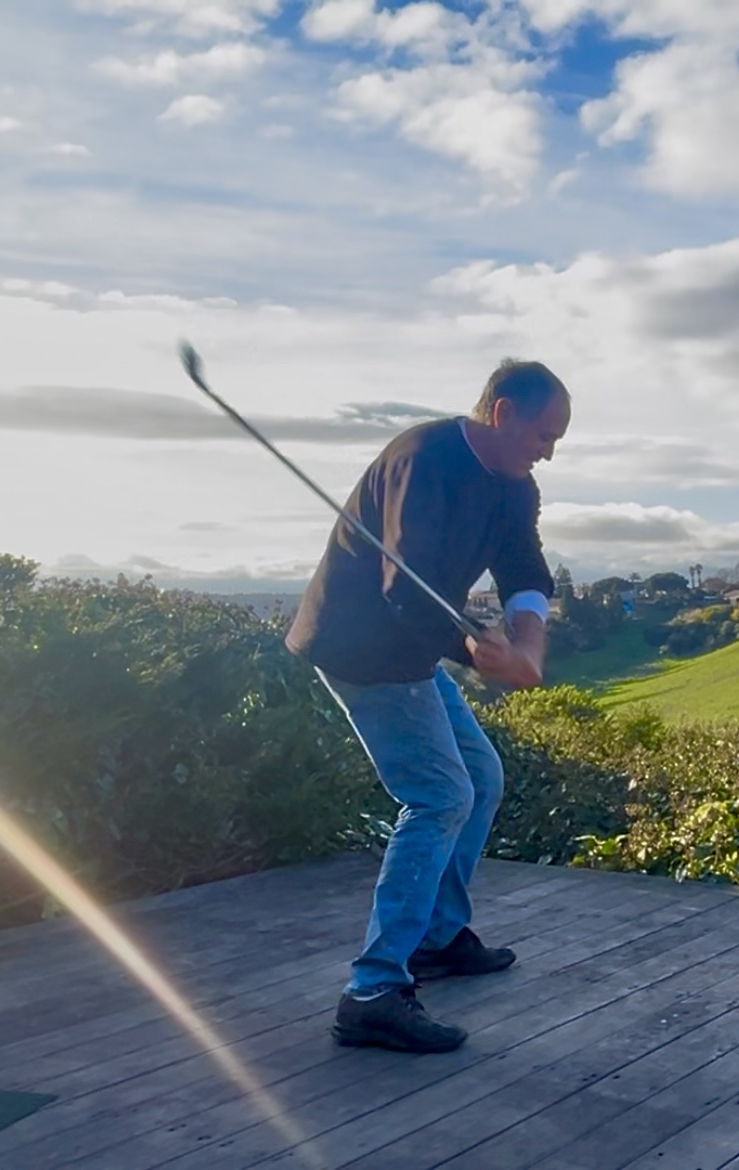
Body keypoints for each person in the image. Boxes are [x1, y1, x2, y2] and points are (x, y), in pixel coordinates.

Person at [284, 358, 571, 1053]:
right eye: (543, 435)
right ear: (502, 413)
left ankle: (436, 939)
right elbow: (403, 591)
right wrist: (476, 651)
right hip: (361, 649)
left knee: (483, 778)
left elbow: (525, 573)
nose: (548, 452)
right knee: (440, 796)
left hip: (411, 652)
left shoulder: (514, 486)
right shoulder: (422, 459)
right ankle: (374, 990)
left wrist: (528, 650)